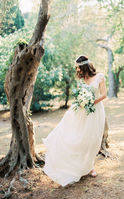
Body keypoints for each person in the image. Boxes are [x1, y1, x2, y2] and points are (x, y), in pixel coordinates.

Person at [43, 55, 107, 187]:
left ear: (85, 67)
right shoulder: (81, 80)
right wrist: (82, 101)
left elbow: (104, 95)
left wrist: (91, 102)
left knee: (93, 139)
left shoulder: (100, 77)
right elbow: (79, 94)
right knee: (79, 137)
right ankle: (83, 166)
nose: (78, 70)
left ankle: (90, 166)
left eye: (79, 68)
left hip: (95, 111)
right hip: (82, 111)